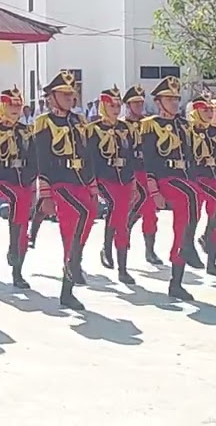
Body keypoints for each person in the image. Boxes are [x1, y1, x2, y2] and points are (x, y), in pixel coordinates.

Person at [29, 70, 95, 310]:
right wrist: (45, 194)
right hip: (59, 182)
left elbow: (87, 154)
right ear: (52, 97)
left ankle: (74, 261)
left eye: (71, 93)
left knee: (87, 219)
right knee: (74, 225)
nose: (70, 97)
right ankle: (68, 284)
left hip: (79, 180)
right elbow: (41, 160)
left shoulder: (79, 120)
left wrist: (92, 184)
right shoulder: (43, 122)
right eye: (64, 93)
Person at [140, 75, 204, 301]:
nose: (175, 103)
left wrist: (194, 179)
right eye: (169, 99)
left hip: (184, 179)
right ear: (158, 102)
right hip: (164, 179)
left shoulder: (185, 125)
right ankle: (189, 245)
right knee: (192, 195)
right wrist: (154, 191)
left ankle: (176, 282)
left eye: (177, 99)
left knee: (182, 225)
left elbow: (191, 156)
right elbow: (148, 160)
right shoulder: (150, 125)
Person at [0, 86, 37, 290]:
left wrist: (33, 187)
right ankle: (13, 244)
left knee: (23, 224)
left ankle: (17, 269)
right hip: (0, 178)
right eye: (11, 105)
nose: (15, 109)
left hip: (22, 181)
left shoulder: (26, 130)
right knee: (15, 200)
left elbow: (33, 160)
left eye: (18, 106)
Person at [87, 86, 138, 285]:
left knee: (121, 215)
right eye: (112, 106)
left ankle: (118, 261)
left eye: (118, 106)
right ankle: (111, 252)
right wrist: (92, 183)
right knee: (117, 208)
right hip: (103, 178)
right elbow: (90, 159)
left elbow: (131, 156)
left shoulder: (126, 128)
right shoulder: (93, 129)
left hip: (123, 178)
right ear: (103, 106)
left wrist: (133, 180)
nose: (116, 109)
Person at [188, 92, 216, 277]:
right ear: (196, 111)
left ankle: (211, 260)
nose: (210, 113)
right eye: (205, 110)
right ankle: (189, 247)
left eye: (211, 110)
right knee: (193, 216)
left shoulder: (215, 131)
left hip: (214, 177)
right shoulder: (188, 131)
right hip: (197, 178)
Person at [123, 85, 164, 266]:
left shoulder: (149, 123)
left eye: (141, 103)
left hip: (147, 171)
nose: (139, 106)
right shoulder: (121, 126)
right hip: (130, 173)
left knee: (150, 211)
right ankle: (121, 241)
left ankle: (150, 250)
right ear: (128, 105)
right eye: (135, 103)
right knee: (130, 209)